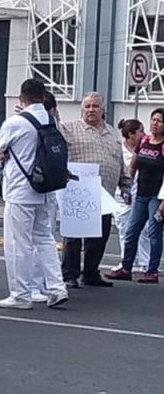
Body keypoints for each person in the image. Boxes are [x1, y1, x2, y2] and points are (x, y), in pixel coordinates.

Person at [0, 79, 69, 310]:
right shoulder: (50, 119)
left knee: (18, 243)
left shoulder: (15, 122)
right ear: (43, 96)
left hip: (21, 190)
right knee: (44, 239)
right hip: (47, 189)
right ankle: (57, 288)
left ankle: (20, 295)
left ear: (20, 97)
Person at [59, 93, 131, 288]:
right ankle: (69, 275)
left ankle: (90, 273)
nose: (91, 109)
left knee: (100, 236)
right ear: (82, 109)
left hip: (104, 193)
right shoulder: (69, 128)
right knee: (74, 237)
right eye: (87, 106)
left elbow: (120, 161)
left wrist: (125, 185)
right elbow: (53, 138)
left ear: (102, 109)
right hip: (79, 191)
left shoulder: (112, 133)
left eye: (95, 106)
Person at [105, 108, 164, 283]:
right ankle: (126, 267)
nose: (155, 124)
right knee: (132, 230)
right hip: (140, 193)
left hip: (156, 195)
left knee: (154, 232)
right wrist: (128, 185)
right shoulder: (144, 140)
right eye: (153, 120)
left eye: (159, 121)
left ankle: (152, 270)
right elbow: (134, 164)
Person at [110, 119, 150, 271]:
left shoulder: (144, 148)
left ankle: (145, 262)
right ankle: (126, 260)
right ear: (131, 134)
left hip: (141, 192)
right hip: (122, 194)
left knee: (144, 228)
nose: (144, 134)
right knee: (124, 227)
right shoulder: (118, 148)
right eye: (140, 131)